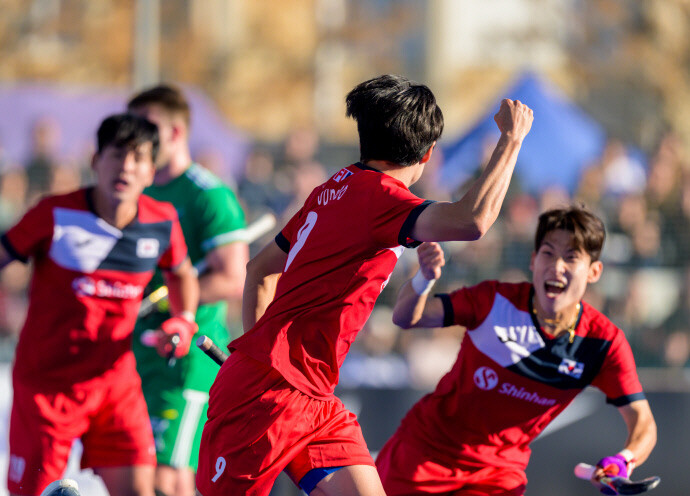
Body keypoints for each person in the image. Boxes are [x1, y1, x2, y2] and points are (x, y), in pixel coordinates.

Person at [195, 74, 534, 496]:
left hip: (314, 399)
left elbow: (260, 271)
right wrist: (512, 140)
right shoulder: (382, 197)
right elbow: (473, 220)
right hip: (266, 397)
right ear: (428, 152)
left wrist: (257, 351)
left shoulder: (332, 188)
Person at [377, 205, 657, 496]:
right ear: (534, 261)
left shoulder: (604, 343)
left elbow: (643, 422)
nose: (557, 267)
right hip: (422, 455)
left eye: (571, 257)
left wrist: (625, 459)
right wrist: (424, 278)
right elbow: (406, 317)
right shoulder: (493, 301)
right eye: (548, 254)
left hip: (497, 476)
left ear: (594, 271)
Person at [2, 114, 200, 496]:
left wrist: (184, 319)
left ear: (150, 171)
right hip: (47, 387)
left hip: (115, 385)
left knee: (142, 489)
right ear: (95, 161)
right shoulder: (55, 213)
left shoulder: (162, 222)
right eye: (116, 154)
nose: (126, 166)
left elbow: (182, 273)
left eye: (139, 157)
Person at [127, 85, 249, 496]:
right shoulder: (135, 190)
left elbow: (232, 278)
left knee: (170, 475)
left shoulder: (208, 195)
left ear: (176, 132)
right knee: (140, 472)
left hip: (189, 356)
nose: (135, 140)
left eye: (147, 128)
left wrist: (170, 301)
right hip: (139, 355)